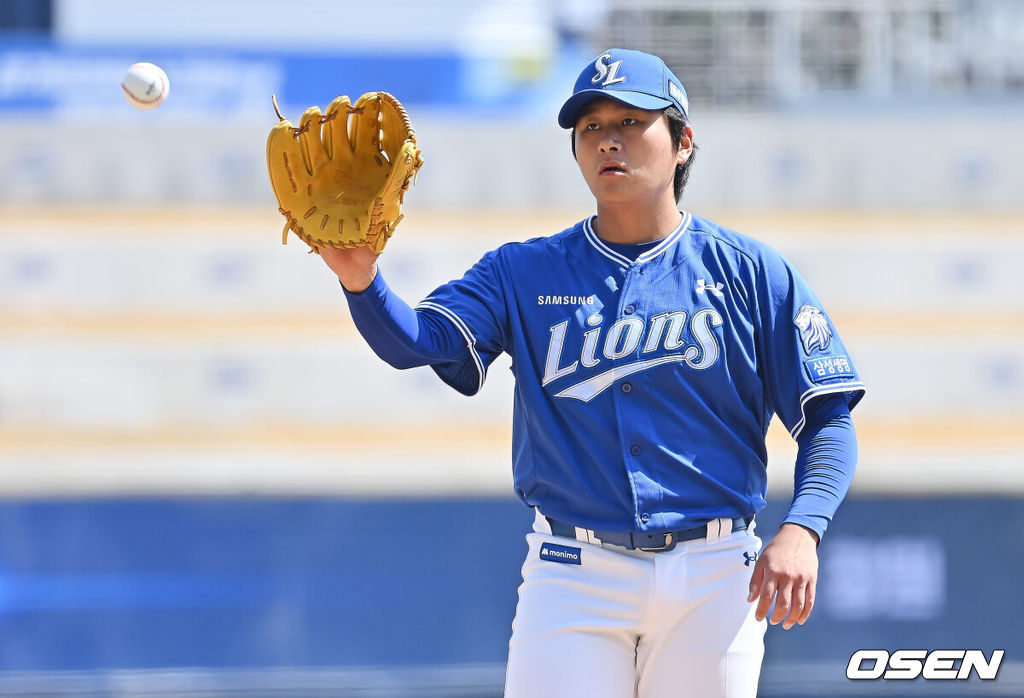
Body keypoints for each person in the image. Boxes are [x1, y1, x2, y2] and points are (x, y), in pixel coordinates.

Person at [317, 48, 864, 698]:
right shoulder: (522, 272)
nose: (610, 139)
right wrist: (363, 283)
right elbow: (421, 342)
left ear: (682, 141)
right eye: (591, 126)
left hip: (715, 575)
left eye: (632, 122)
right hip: (572, 573)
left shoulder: (748, 272)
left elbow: (828, 418)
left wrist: (803, 529)